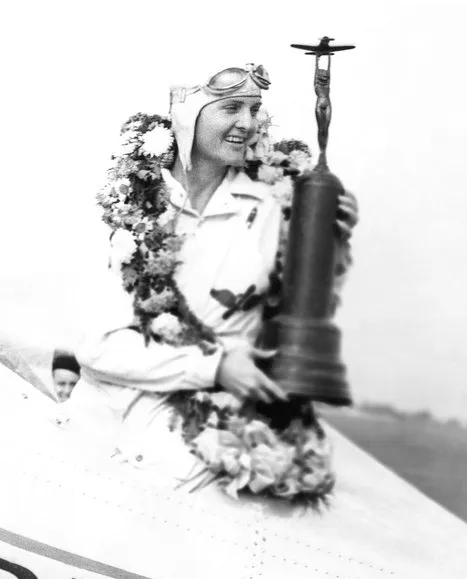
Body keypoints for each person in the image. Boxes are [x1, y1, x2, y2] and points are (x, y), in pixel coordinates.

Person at [67, 63, 359, 493]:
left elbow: (290, 319)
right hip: (89, 447)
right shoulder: (129, 202)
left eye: (255, 108)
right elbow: (99, 347)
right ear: (188, 116)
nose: (248, 122)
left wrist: (327, 243)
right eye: (231, 108)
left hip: (192, 460)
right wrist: (215, 367)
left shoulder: (274, 203)